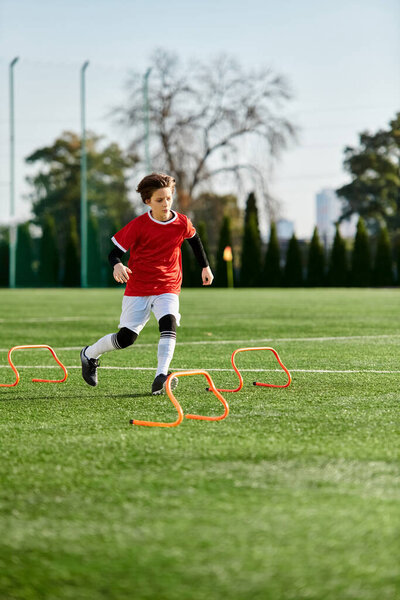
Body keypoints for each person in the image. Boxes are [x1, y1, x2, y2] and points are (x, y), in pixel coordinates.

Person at [80, 172, 214, 395]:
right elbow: (114, 253)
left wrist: (205, 266)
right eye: (159, 200)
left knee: (169, 324)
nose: (165, 204)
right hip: (139, 287)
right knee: (126, 338)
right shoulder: (139, 225)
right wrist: (117, 265)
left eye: (169, 198)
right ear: (147, 201)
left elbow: (194, 239)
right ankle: (89, 354)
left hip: (168, 285)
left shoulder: (181, 222)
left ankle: (161, 376)